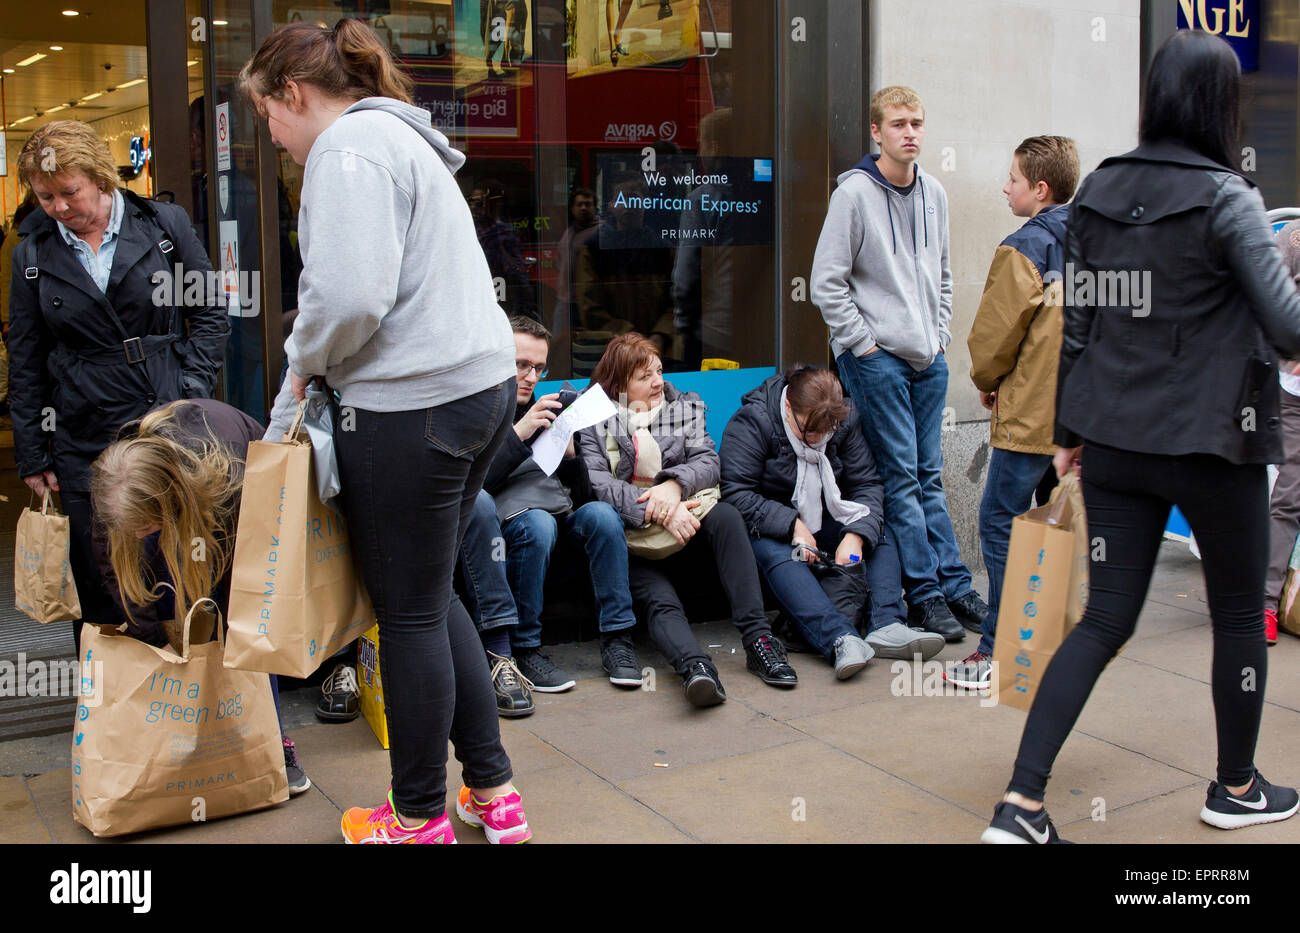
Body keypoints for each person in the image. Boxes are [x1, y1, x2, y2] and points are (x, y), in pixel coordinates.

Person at [982, 31, 1300, 844]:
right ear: (1221, 106)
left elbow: (1077, 328)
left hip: (1116, 443)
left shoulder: (1097, 192)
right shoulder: (1228, 197)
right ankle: (1234, 787)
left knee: (1103, 620)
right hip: (1215, 444)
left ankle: (1021, 805)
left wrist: (1067, 435)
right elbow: (1288, 326)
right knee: (1237, 616)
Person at [243, 18, 529, 845]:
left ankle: (417, 818)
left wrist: (301, 363)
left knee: (405, 614)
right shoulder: (402, 140)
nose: (275, 139)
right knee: (432, 596)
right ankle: (493, 793)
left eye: (268, 118)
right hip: (476, 392)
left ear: (293, 94)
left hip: (411, 409)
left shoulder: (345, 150)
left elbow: (351, 300)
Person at [8, 120, 229, 649]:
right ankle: (113, 706)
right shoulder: (31, 255)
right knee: (100, 572)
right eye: (45, 197)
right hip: (83, 423)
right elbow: (26, 357)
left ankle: (195, 686)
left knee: (185, 559)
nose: (59, 207)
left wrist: (188, 384)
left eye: (69, 192)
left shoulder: (164, 225)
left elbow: (212, 313)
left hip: (166, 414)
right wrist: (33, 453)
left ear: (101, 178)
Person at [812, 85, 988, 644]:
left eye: (917, 123)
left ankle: (956, 585)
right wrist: (863, 346)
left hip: (926, 358)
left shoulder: (933, 191)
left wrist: (938, 338)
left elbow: (942, 275)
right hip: (876, 361)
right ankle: (926, 593)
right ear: (876, 132)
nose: (910, 132)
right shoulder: (854, 195)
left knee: (929, 477)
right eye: (898, 124)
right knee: (903, 479)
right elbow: (826, 282)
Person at [91, 399, 311, 795]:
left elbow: (244, 583)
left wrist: (225, 640)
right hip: (179, 491)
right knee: (161, 598)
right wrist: (152, 636)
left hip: (238, 502)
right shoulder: (117, 483)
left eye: (144, 526)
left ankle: (271, 740)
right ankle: (178, 741)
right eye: (134, 528)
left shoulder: (229, 476)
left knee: (243, 632)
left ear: (167, 506)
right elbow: (114, 568)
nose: (139, 535)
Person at [578, 333, 798, 707]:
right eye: (644, 377)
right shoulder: (592, 418)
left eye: (659, 371)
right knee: (659, 599)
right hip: (634, 540)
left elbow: (709, 462)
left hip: (685, 529)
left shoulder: (683, 406)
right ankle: (695, 668)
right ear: (618, 384)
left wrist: (675, 486)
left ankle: (759, 641)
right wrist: (661, 505)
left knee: (727, 516)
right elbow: (598, 485)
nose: (657, 382)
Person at [459, 315, 642, 713]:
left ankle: (618, 641)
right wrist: (519, 433)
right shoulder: (477, 409)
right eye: (520, 364)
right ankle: (525, 649)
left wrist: (571, 456)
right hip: (508, 529)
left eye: (538, 368)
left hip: (558, 519)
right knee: (537, 524)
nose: (530, 376)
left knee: (601, 516)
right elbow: (469, 491)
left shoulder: (545, 408)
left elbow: (578, 495)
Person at [950, 136, 1079, 691]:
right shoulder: (1100, 241)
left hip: (1029, 416)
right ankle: (1042, 648)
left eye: (1014, 180)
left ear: (1040, 189)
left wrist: (986, 382)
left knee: (1000, 525)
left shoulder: (1024, 245)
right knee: (1052, 529)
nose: (1006, 188)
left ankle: (997, 654)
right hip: (1077, 419)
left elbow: (995, 337)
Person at [721, 367, 945, 680]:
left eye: (827, 431)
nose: (819, 438)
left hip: (827, 520)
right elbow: (735, 492)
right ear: (788, 408)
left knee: (877, 529)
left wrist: (855, 536)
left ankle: (888, 623)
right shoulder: (754, 421)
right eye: (810, 431)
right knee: (779, 553)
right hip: (773, 532)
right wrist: (792, 526)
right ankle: (840, 639)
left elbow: (867, 483)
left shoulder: (843, 421)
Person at [1263, 220, 1300, 646]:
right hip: (1294, 398)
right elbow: (1262, 300)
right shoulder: (1291, 239)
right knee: (1287, 500)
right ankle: (1264, 606)